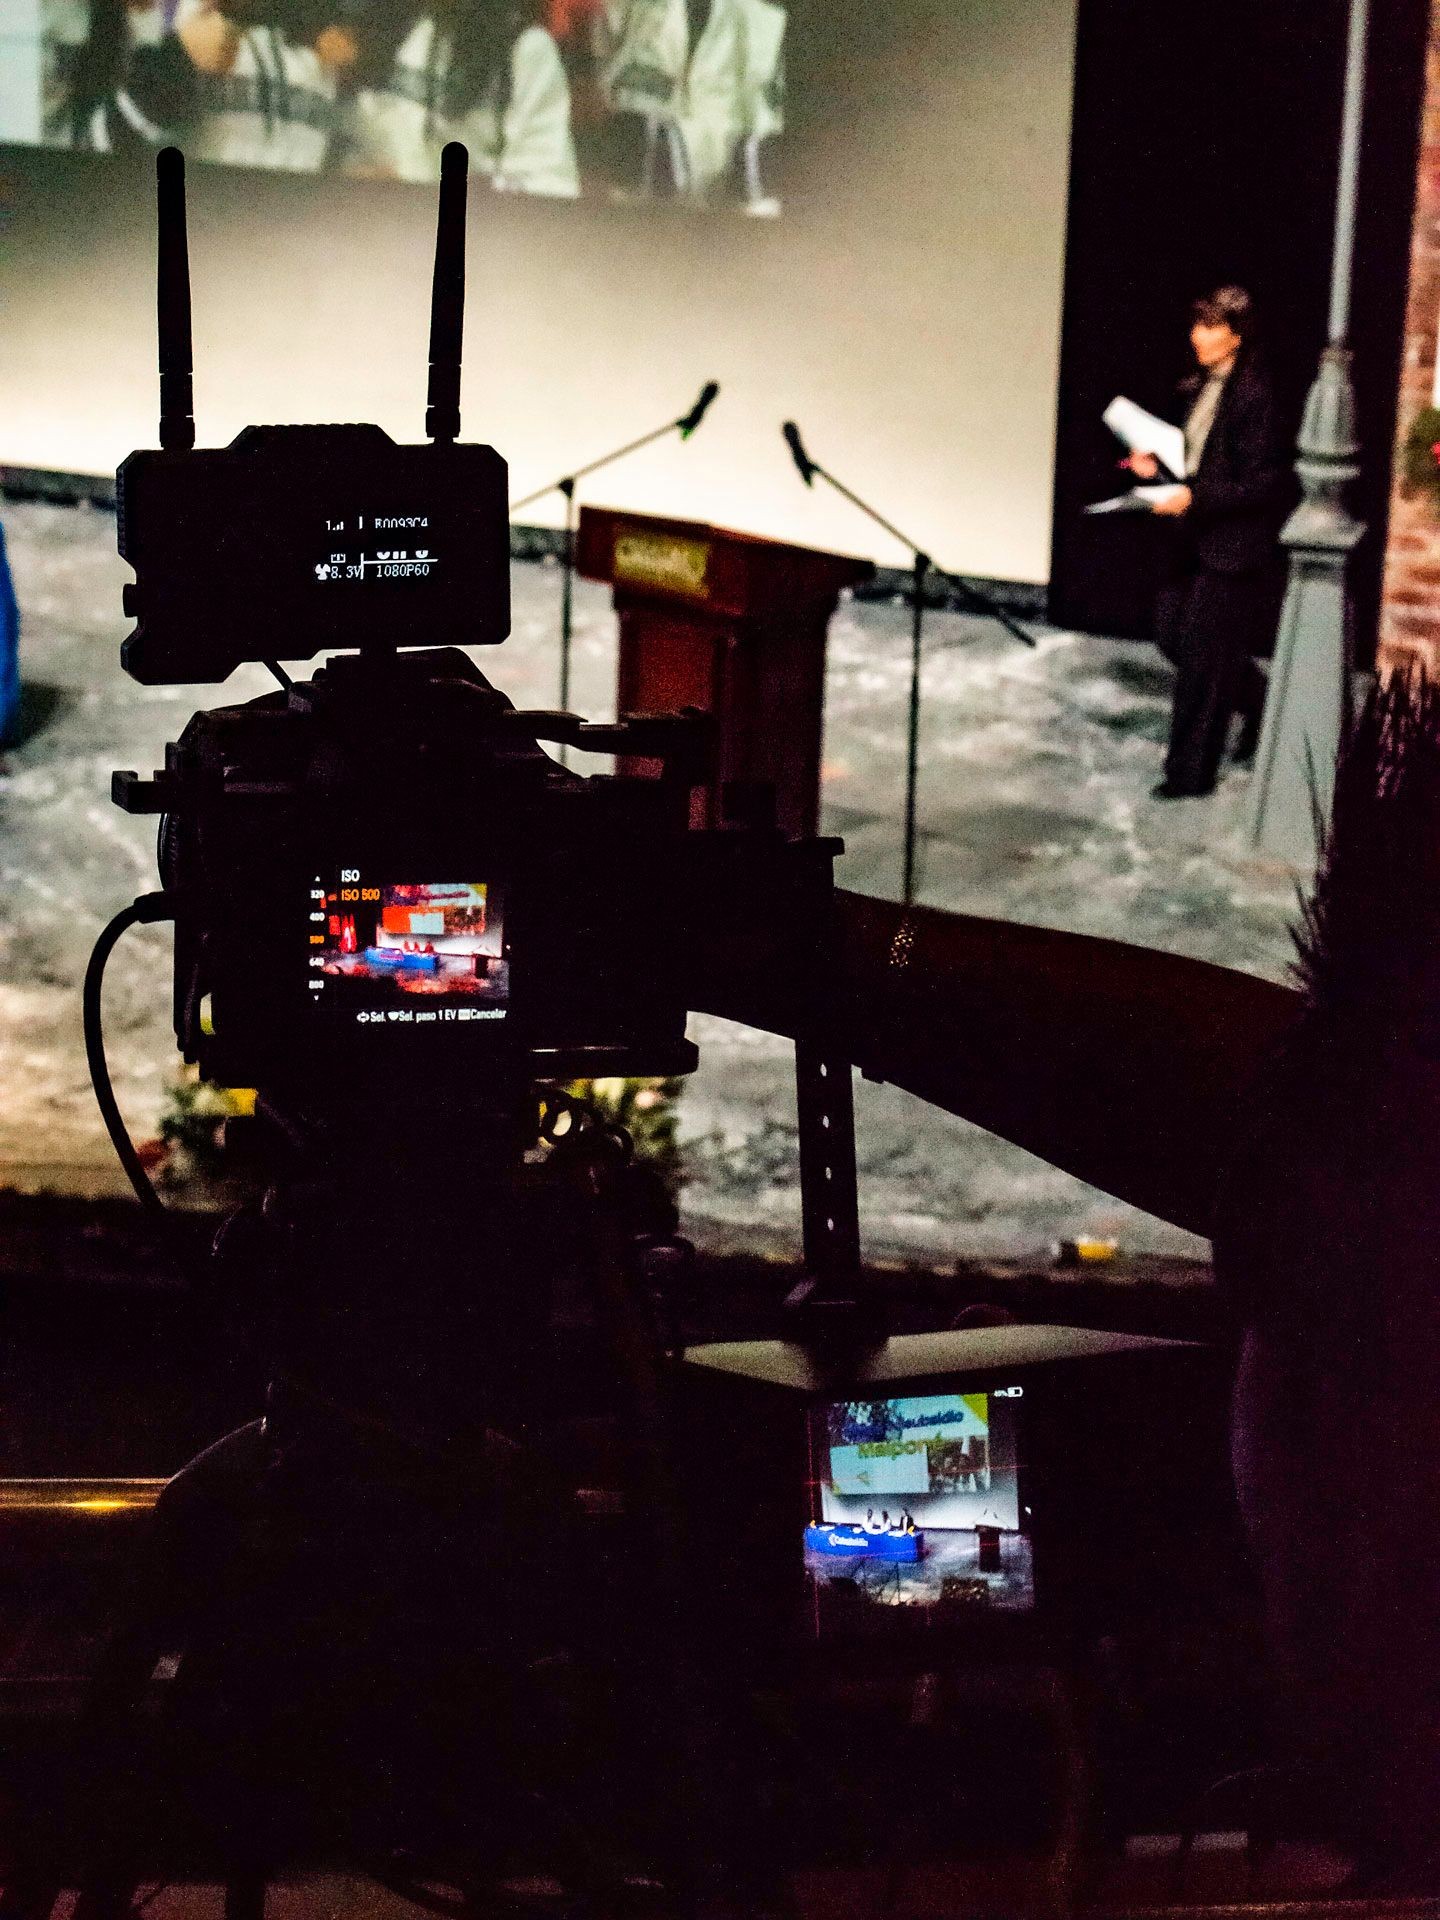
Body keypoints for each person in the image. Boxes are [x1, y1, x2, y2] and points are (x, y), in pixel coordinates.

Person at [1127, 285, 1290, 800]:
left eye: (1212, 326)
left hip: (1231, 545)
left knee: (1202, 659)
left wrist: (1193, 498)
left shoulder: (1257, 394)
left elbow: (1262, 483)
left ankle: (1190, 775)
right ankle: (1258, 696)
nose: (1198, 335)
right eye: (1197, 324)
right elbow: (1192, 454)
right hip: (1190, 538)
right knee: (1172, 637)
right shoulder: (1199, 384)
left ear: (1236, 336)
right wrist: (1153, 466)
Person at [342, 0, 579, 197]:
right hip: (375, 228)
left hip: (478, 237)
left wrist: (416, 189)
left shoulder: (526, 49)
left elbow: (548, 183)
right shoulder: (391, 32)